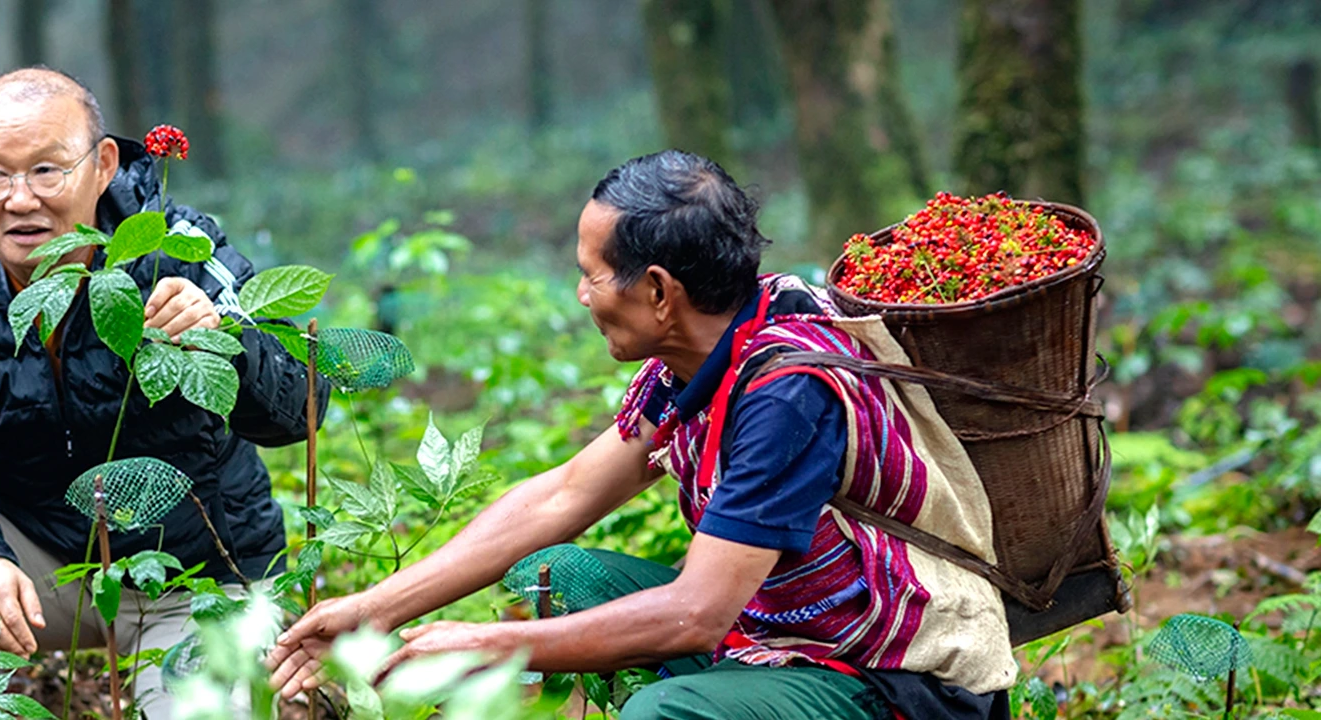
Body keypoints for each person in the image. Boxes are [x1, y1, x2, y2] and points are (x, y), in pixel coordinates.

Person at [266, 150, 1017, 719]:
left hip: (891, 671)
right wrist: (382, 605)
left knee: (661, 714)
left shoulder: (788, 391)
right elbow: (562, 496)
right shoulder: (706, 349)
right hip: (779, 624)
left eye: (592, 275)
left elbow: (698, 611)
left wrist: (488, 644)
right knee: (552, 573)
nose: (583, 295)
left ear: (659, 291)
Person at [0, 67, 326, 718]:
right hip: (46, 559)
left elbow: (302, 403)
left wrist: (227, 341)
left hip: (196, 573)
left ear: (104, 164)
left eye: (48, 171)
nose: (20, 199)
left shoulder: (176, 249)